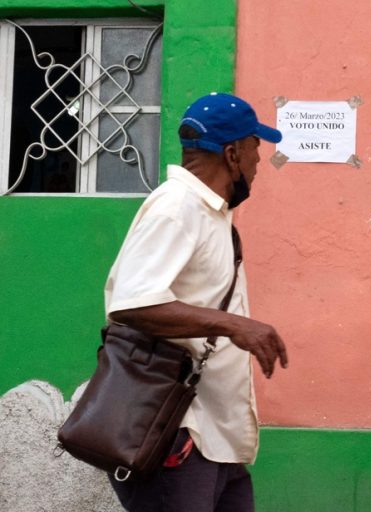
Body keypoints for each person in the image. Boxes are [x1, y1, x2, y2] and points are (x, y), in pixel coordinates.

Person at [103, 92, 288, 512]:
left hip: (215, 436)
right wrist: (236, 325)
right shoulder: (177, 207)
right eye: (256, 149)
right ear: (233, 153)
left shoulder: (210, 213)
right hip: (178, 433)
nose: (259, 163)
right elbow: (132, 303)